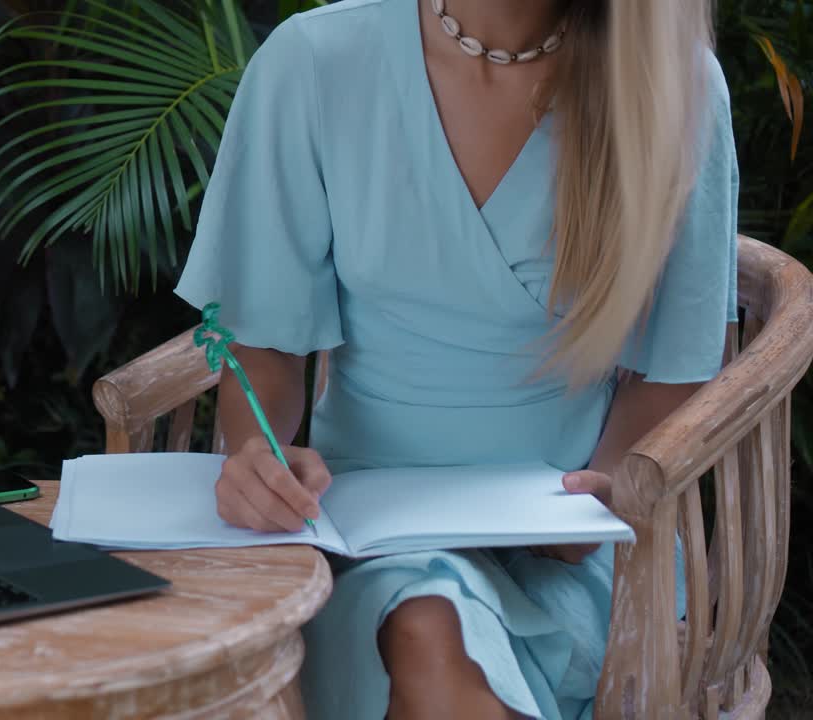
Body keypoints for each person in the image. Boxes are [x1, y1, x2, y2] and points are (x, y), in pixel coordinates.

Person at [172, 0, 739, 718]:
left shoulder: (673, 84)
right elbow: (265, 346)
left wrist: (604, 497)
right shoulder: (315, 61)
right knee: (426, 622)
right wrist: (259, 454)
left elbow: (678, 368)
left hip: (580, 545)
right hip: (359, 529)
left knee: (429, 632)